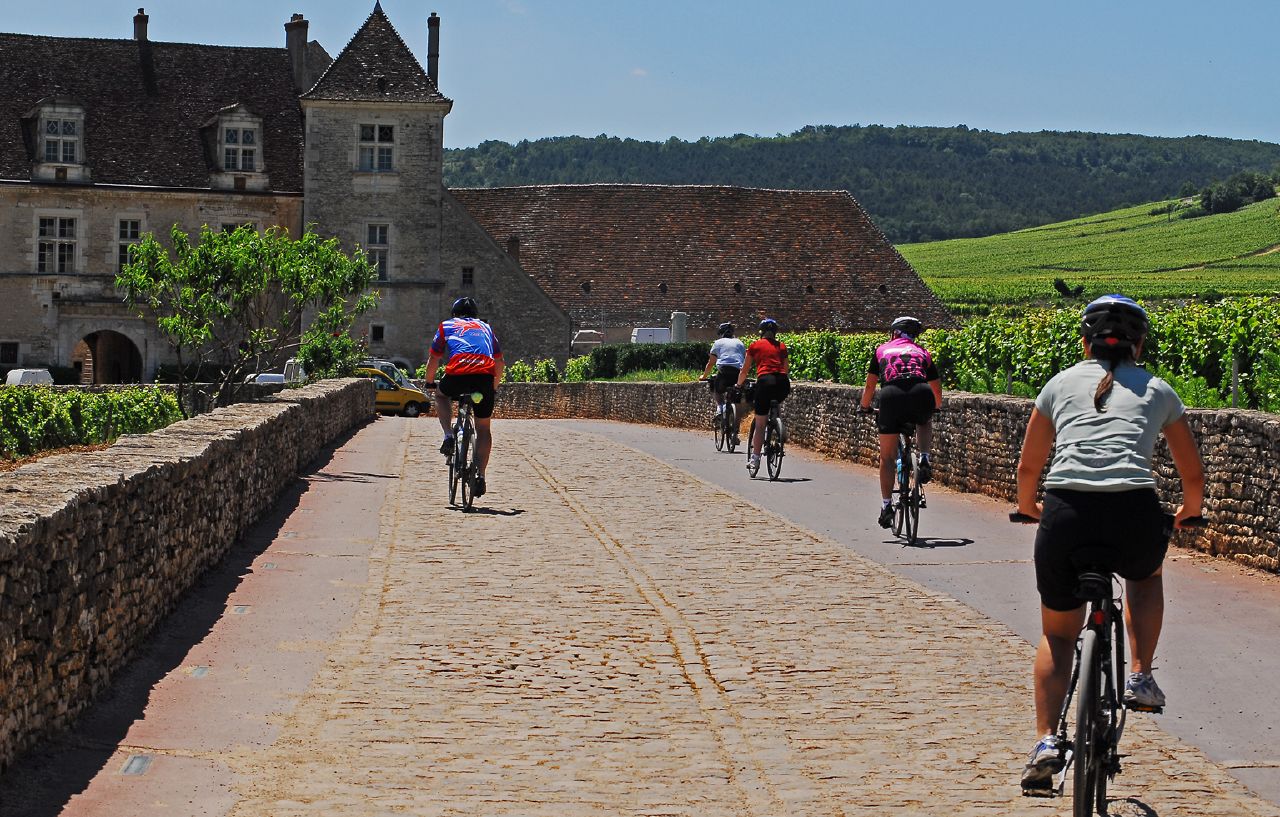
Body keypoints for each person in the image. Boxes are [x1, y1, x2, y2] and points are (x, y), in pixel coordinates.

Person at [1014, 294, 1204, 791]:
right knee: (1145, 574)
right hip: (1132, 513)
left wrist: (1029, 506)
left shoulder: (1057, 385)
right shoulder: (1159, 389)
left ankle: (1046, 741)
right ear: (1139, 346)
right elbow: (1191, 472)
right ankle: (1140, 675)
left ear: (1084, 342)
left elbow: (1029, 466)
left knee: (1058, 635)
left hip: (1066, 514)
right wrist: (1191, 510)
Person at [859, 316, 943, 528]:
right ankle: (924, 458)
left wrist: (864, 407)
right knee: (925, 418)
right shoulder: (923, 352)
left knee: (887, 458)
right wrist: (936, 406)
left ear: (894, 332)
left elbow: (870, 387)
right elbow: (936, 387)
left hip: (891, 396)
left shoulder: (881, 351)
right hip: (920, 392)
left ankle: (887, 506)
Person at [427, 296, 505, 498]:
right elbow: (500, 363)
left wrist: (429, 383)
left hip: (457, 377)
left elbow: (434, 358)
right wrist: (493, 388)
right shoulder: (486, 328)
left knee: (441, 396)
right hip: (483, 381)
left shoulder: (447, 326)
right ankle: (480, 475)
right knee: (484, 428)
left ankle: (448, 435)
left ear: (454, 314)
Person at [735, 318, 790, 476]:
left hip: (765, 381)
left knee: (760, 424)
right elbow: (785, 370)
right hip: (782, 383)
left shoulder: (755, 345)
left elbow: (744, 370)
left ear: (761, 332)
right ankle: (778, 426)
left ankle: (755, 458)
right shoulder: (782, 346)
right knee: (776, 401)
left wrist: (739, 385)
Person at [699, 322, 746, 421]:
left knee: (717, 390)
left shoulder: (718, 343)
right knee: (737, 393)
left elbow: (711, 363)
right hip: (738, 372)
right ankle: (735, 425)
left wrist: (703, 376)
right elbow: (744, 360)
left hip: (724, 371)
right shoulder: (740, 343)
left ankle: (720, 409)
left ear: (721, 333)